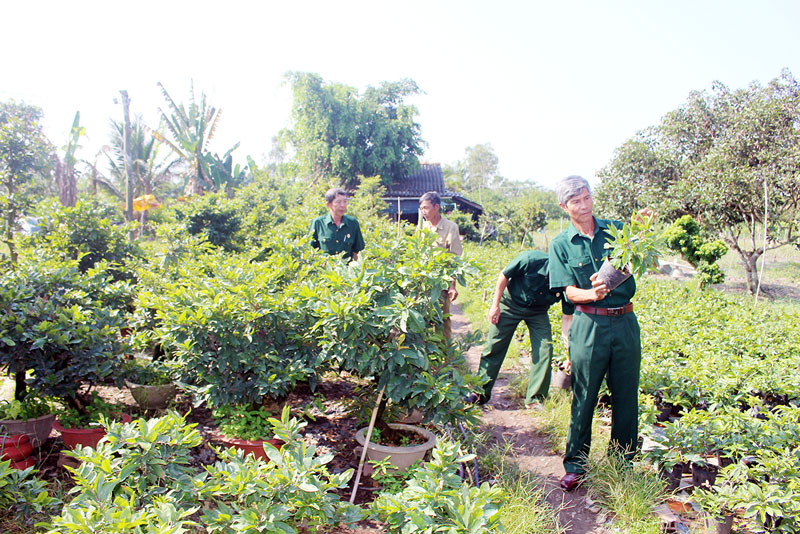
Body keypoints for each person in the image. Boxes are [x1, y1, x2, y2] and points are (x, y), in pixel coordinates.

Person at [547, 175, 651, 492]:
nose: (583, 205)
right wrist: (593, 294)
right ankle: (576, 465)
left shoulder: (617, 230)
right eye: (575, 201)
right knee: (584, 395)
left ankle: (623, 462)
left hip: (625, 322)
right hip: (588, 324)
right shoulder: (561, 244)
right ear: (564, 207)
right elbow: (568, 292)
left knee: (626, 395)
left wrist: (642, 229)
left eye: (587, 197)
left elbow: (638, 253)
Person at [468, 250, 574, 408]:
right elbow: (504, 275)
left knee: (545, 349)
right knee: (494, 346)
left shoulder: (567, 282)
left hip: (538, 312)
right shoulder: (531, 259)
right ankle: (479, 393)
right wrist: (494, 305)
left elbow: (567, 319)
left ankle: (535, 399)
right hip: (510, 304)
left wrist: (568, 352)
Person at [419, 191, 462, 339]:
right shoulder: (422, 227)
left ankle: (447, 356)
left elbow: (454, 259)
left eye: (426, 207)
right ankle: (429, 355)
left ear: (436, 207)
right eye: (421, 208)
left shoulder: (451, 227)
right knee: (423, 319)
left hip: (441, 282)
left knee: (442, 319)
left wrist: (452, 285)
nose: (423, 211)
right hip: (424, 281)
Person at [309, 187, 365, 262]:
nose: (342, 205)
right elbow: (311, 250)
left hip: (347, 271)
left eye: (345, 201)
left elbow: (357, 252)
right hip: (325, 271)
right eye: (338, 202)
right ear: (328, 204)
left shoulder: (353, 223)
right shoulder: (318, 223)